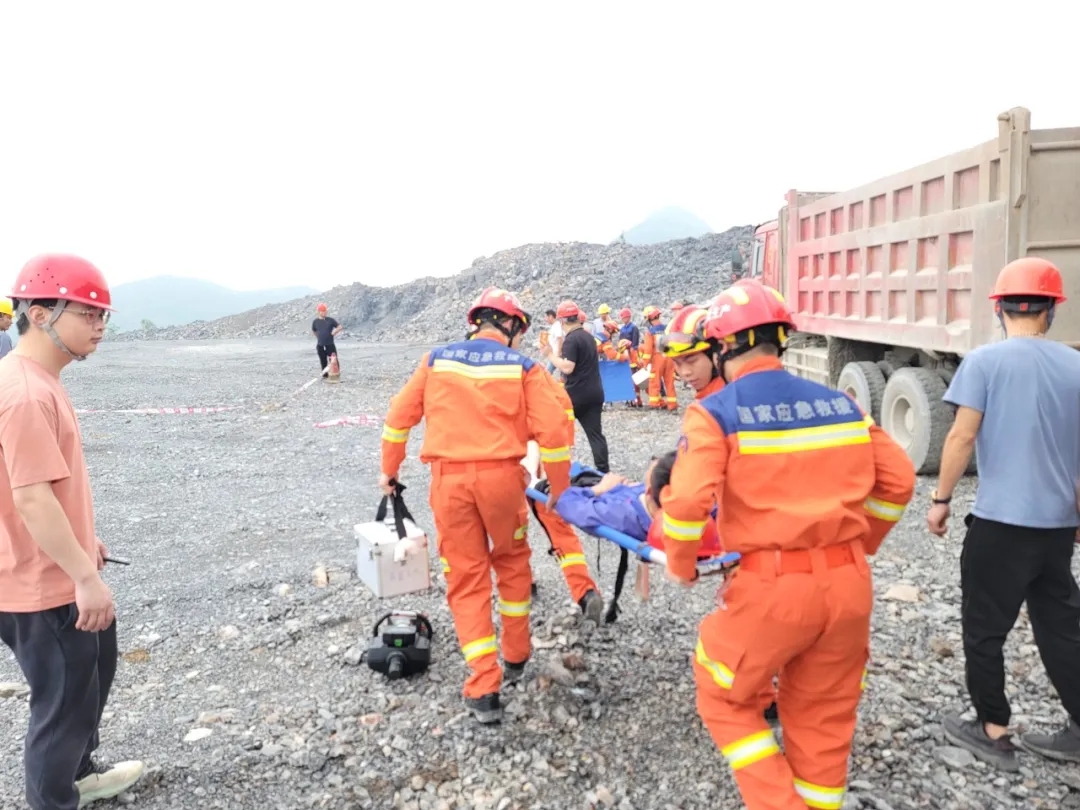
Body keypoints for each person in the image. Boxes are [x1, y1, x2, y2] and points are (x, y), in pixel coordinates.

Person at [659, 279, 915, 810]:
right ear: (781, 340)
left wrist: (681, 566)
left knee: (721, 692)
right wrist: (861, 543)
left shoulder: (715, 413)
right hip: (848, 589)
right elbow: (898, 481)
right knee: (822, 721)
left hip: (773, 590)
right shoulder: (841, 405)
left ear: (723, 346)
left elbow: (685, 506)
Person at [378, 286, 572, 724]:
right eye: (519, 330)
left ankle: (484, 686)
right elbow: (555, 434)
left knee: (466, 579)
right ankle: (517, 655)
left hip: (450, 485)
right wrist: (559, 489)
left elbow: (397, 419)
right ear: (508, 325)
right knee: (512, 563)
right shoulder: (523, 368)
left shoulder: (435, 361)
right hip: (503, 481)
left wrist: (388, 472)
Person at [0, 254, 145, 810]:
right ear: (39, 315)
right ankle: (54, 797)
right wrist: (84, 575)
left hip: (58, 568)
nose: (100, 325)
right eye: (87, 313)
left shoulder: (37, 379)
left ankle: (77, 775)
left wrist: (86, 541)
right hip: (43, 588)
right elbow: (31, 499)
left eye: (103, 314)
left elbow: (37, 489)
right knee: (61, 710)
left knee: (90, 682)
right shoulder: (26, 393)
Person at [927, 257, 1080, 769]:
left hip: (1000, 527)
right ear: (1051, 310)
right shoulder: (1076, 365)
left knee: (985, 628)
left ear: (1000, 308)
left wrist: (941, 500)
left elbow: (962, 435)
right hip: (1058, 527)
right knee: (1061, 626)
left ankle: (993, 730)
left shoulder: (984, 363)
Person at [543, 300, 609, 473]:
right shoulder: (588, 336)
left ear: (562, 320)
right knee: (596, 435)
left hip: (576, 395)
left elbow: (567, 367)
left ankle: (563, 470)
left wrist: (550, 355)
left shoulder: (571, 340)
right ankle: (603, 471)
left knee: (561, 431)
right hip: (595, 391)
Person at [658, 304, 725, 400]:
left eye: (691, 361)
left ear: (716, 354)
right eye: (677, 362)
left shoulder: (719, 403)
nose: (685, 372)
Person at [642, 306, 677, 411]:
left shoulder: (650, 332)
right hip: (669, 357)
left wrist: (645, 363)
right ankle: (672, 404)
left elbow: (648, 350)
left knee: (654, 381)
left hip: (657, 359)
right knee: (670, 381)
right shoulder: (668, 329)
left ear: (650, 319)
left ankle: (655, 403)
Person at [311, 302, 342, 372]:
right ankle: (325, 375)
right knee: (323, 361)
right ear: (319, 312)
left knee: (334, 360)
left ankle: (336, 374)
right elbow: (314, 331)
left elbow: (339, 327)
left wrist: (334, 332)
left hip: (330, 345)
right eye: (323, 311)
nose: (325, 312)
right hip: (320, 345)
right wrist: (319, 337)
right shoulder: (315, 322)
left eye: (326, 311)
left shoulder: (330, 320)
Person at [543, 309, 563, 377]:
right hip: (554, 354)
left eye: (546, 317)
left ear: (551, 316)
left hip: (556, 354)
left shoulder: (557, 325)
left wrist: (558, 352)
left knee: (547, 372)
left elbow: (559, 338)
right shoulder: (554, 326)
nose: (545, 319)